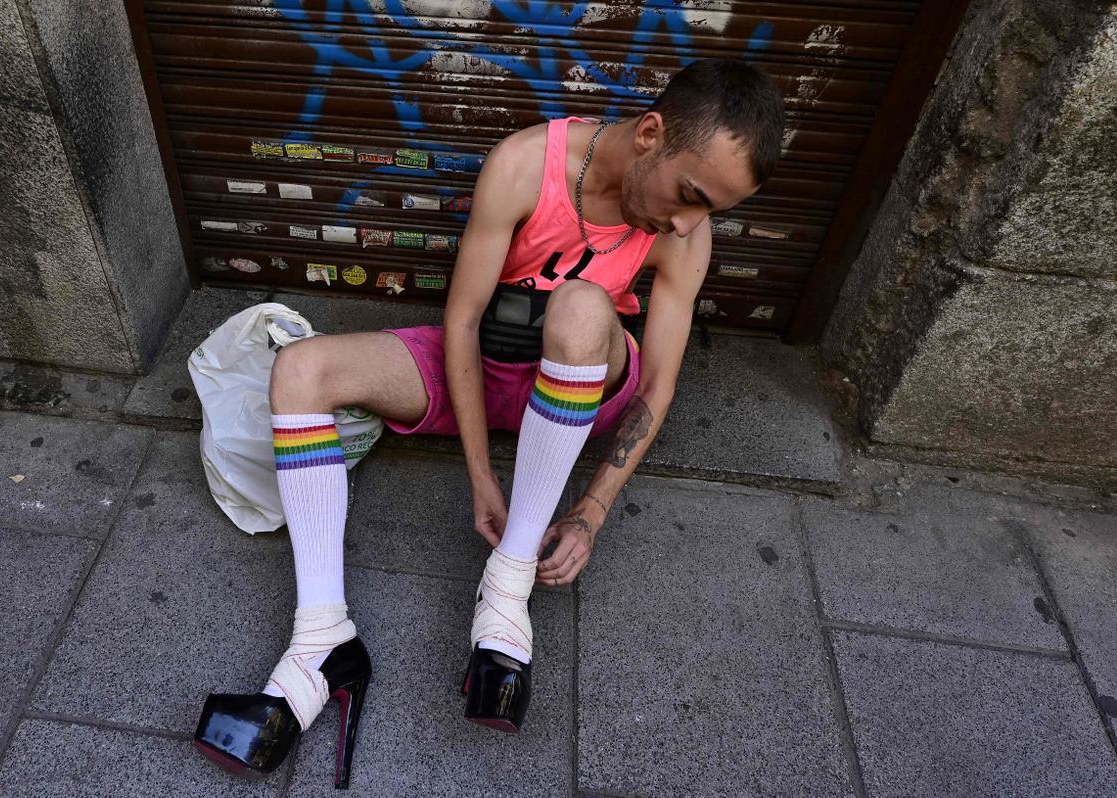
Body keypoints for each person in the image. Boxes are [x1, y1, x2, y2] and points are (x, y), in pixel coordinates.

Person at [193, 58, 785, 787]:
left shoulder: (683, 234)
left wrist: (593, 510)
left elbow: (658, 386)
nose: (690, 223)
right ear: (651, 134)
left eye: (711, 212)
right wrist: (478, 471)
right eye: (690, 194)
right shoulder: (524, 165)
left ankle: (505, 593)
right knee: (301, 370)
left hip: (581, 383)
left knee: (580, 304)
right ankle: (321, 642)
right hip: (485, 368)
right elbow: (464, 319)